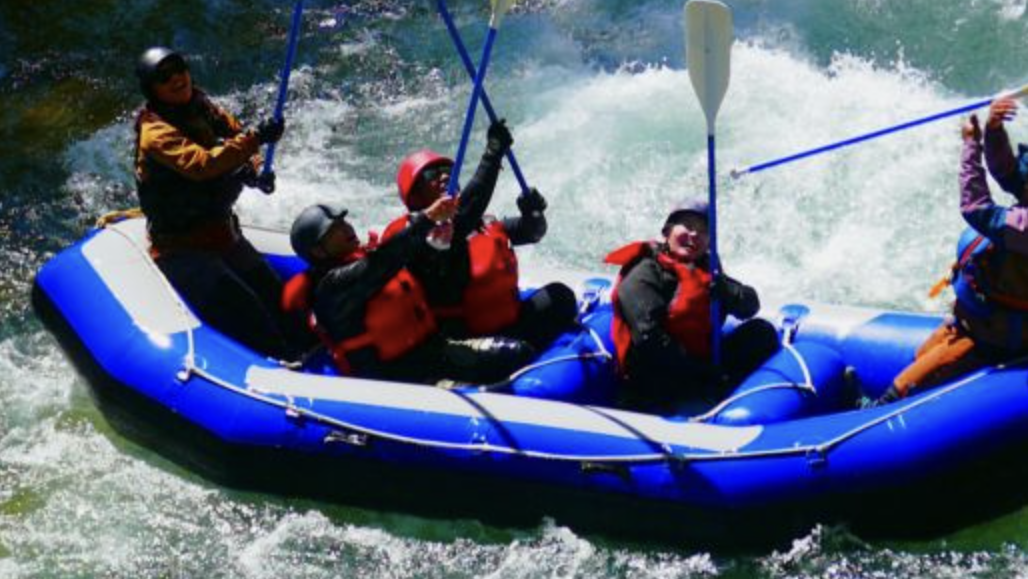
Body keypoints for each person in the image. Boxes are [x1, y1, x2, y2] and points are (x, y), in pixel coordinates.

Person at [884, 97, 1028, 402]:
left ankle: (872, 409)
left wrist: (970, 146)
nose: (1024, 182)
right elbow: (1009, 173)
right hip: (978, 325)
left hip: (997, 341)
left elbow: (977, 209)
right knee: (922, 356)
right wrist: (993, 130)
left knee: (899, 391)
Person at [132, 46, 299, 359]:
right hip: (181, 249)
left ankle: (306, 350)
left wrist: (255, 170)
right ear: (152, 89)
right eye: (163, 77)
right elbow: (202, 165)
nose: (176, 79)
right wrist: (255, 139)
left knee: (275, 295)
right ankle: (282, 366)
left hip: (222, 234)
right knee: (245, 310)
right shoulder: (155, 133)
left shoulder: (203, 105)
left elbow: (237, 136)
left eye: (178, 68)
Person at [287, 201, 537, 385]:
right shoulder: (333, 288)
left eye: (343, 221)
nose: (346, 228)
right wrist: (426, 219)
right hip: (398, 379)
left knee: (516, 354)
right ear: (319, 252)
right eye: (334, 230)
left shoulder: (365, 256)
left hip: (433, 352)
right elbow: (381, 264)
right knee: (485, 380)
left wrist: (436, 244)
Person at [382, 120, 577, 351]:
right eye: (431, 175)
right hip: (462, 339)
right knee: (514, 352)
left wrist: (533, 213)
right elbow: (462, 215)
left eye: (448, 171)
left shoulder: (482, 222)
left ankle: (528, 349)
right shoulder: (414, 234)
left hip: (508, 322)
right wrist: (492, 154)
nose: (444, 177)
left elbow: (531, 233)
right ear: (414, 196)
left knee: (561, 296)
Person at [603, 198, 779, 408]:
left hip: (700, 364)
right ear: (667, 232)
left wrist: (725, 290)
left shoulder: (707, 269)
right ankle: (705, 392)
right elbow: (649, 338)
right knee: (660, 371)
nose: (694, 234)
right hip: (655, 376)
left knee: (761, 332)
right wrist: (700, 372)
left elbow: (750, 306)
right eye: (687, 226)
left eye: (703, 231)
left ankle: (725, 397)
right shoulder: (644, 273)